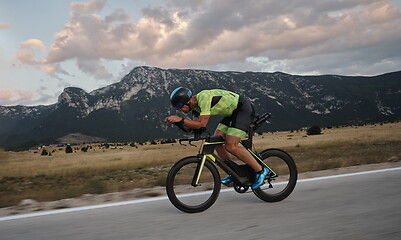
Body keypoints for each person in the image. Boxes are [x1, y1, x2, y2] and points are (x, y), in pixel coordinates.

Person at [165, 87, 269, 189]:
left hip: (242, 109)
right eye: (176, 107)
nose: (179, 109)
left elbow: (201, 124)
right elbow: (195, 126)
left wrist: (180, 119)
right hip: (231, 115)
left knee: (231, 146)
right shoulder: (195, 109)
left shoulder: (203, 97)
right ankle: (235, 172)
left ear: (187, 100)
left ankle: (260, 170)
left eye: (179, 105)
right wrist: (178, 123)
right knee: (217, 142)